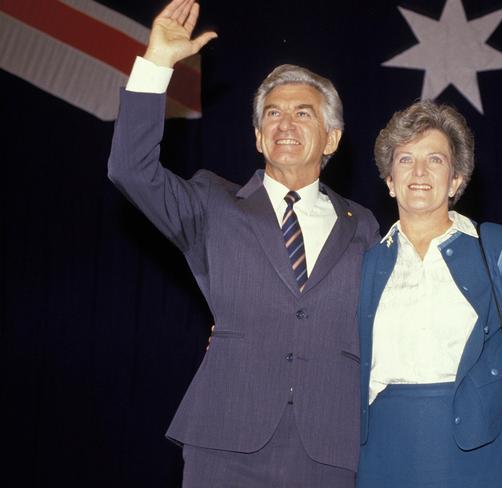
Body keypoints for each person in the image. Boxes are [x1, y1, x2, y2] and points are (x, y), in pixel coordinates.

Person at [108, 1, 378, 486]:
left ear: (332, 139)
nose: (285, 124)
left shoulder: (365, 226)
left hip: (330, 448)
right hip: (224, 438)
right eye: (272, 114)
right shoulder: (213, 201)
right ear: (258, 137)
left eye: (302, 112)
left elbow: (393, 321)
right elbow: (131, 170)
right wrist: (157, 63)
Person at [356, 101, 502, 487]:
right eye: (405, 159)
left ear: (456, 179)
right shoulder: (363, 266)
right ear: (389, 179)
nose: (418, 172)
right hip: (383, 455)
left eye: (435, 159)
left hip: (477, 455)